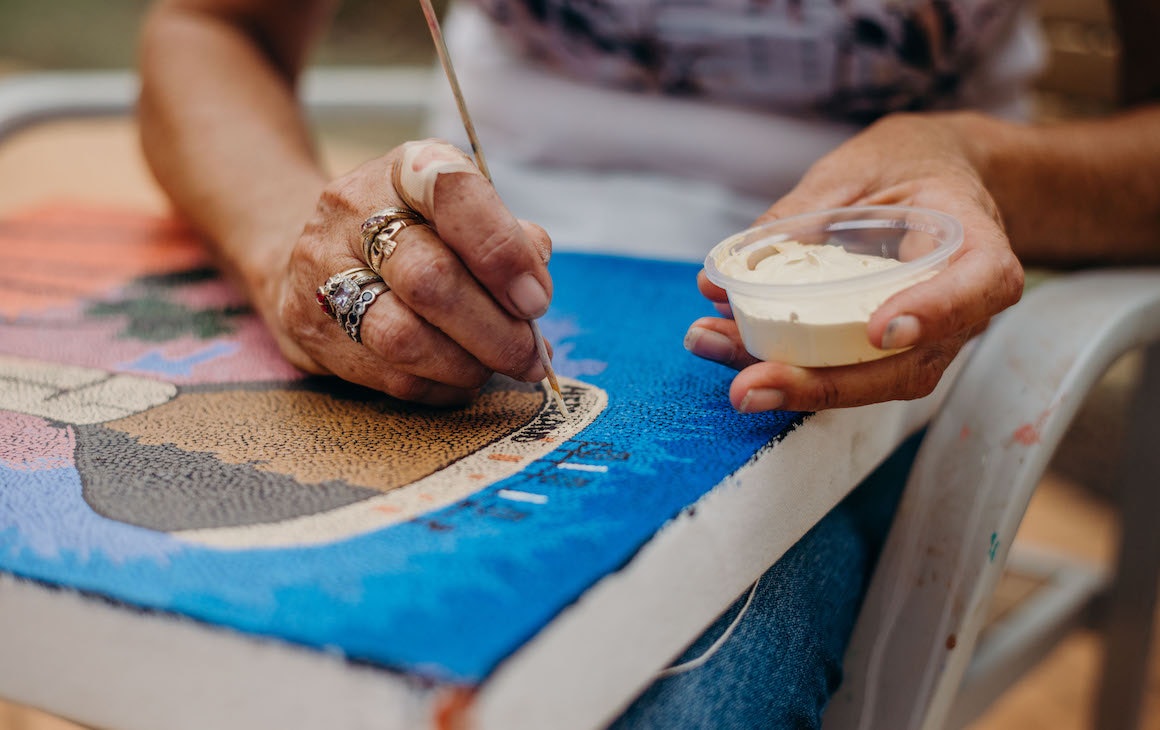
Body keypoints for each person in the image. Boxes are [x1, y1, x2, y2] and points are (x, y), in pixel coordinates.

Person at [137, 0, 1160, 726]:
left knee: (656, 678)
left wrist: (980, 164)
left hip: (861, 320)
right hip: (459, 274)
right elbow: (213, 26)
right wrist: (289, 251)